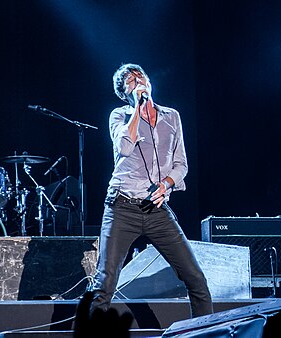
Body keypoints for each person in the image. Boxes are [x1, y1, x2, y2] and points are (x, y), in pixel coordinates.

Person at [89, 63, 213, 318]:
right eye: (131, 83)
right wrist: (137, 108)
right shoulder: (120, 115)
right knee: (104, 284)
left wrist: (166, 184)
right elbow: (124, 147)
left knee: (196, 279)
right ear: (125, 93)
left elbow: (181, 165)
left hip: (156, 209)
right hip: (122, 207)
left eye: (141, 77)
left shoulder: (172, 117)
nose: (139, 83)